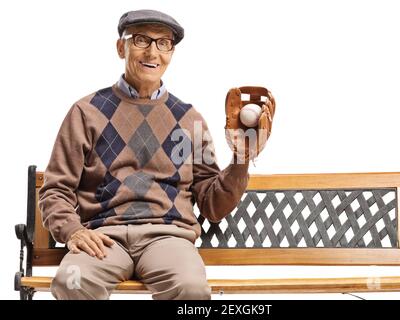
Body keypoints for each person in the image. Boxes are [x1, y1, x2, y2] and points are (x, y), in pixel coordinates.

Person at [39, 9, 274, 300]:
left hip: (169, 239)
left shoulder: (190, 120)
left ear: (171, 53)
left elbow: (213, 206)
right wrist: (73, 230)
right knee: (70, 282)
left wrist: (241, 161)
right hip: (103, 239)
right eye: (141, 40)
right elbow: (55, 190)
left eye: (164, 43)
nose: (153, 52)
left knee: (191, 289)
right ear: (120, 47)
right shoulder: (86, 113)